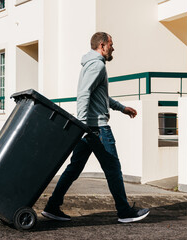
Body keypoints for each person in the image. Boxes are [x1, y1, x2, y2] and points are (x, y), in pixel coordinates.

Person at [41, 32, 150, 223]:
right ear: (102, 45)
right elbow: (84, 94)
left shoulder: (92, 65)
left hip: (88, 127)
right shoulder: (97, 65)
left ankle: (52, 206)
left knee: (74, 168)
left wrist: (121, 108)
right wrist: (82, 124)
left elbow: (100, 96)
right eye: (111, 44)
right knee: (113, 168)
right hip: (96, 128)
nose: (113, 48)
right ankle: (124, 212)